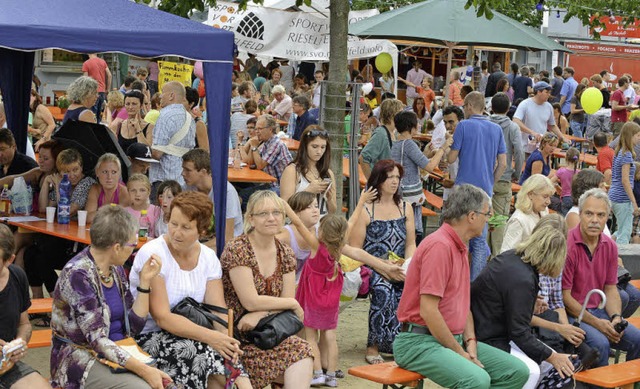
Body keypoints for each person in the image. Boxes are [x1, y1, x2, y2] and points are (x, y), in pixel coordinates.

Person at [394, 184, 529, 389]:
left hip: (449, 339)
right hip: (418, 342)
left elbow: (462, 303)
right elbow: (428, 311)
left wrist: (471, 341)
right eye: (487, 213)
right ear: (472, 216)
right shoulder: (440, 246)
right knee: (476, 380)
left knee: (516, 372)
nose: (488, 219)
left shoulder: (459, 245)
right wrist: (460, 352)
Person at [129, 191, 251, 389]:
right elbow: (162, 317)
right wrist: (213, 338)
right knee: (203, 355)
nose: (177, 232)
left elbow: (217, 309)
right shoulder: (154, 253)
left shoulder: (208, 257)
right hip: (149, 336)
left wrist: (226, 340)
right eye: (173, 224)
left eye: (186, 227)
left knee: (230, 359)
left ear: (201, 231)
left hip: (193, 334)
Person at [50, 205, 170, 389]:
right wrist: (144, 370)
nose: (135, 249)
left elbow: (133, 327)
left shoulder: (115, 270)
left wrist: (145, 283)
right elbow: (98, 341)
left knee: (167, 381)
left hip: (116, 351)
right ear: (116, 247)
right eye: (133, 244)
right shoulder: (78, 275)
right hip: (79, 358)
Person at [221, 190, 314, 388]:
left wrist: (262, 312)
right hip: (236, 337)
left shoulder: (285, 253)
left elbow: (284, 300)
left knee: (302, 350)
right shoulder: (238, 248)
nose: (271, 218)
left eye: (276, 213)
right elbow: (250, 301)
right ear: (251, 219)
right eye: (263, 214)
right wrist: (292, 303)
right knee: (298, 353)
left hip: (268, 333)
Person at [472, 220, 576, 388]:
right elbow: (519, 333)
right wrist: (552, 357)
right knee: (532, 370)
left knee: (550, 361)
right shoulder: (523, 278)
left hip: (491, 327)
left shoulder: (515, 257)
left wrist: (528, 303)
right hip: (486, 336)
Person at [349, 159, 416, 364]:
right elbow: (355, 248)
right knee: (383, 289)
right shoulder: (367, 210)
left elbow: (411, 243)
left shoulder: (405, 207)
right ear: (379, 180)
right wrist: (382, 266)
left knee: (410, 289)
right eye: (389, 177)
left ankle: (398, 342)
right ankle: (374, 344)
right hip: (373, 265)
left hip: (398, 264)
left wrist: (408, 263)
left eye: (397, 177)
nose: (394, 181)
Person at [563, 188, 640, 367]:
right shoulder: (568, 245)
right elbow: (565, 298)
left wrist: (615, 317)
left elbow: (611, 288)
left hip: (598, 310)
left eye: (601, 215)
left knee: (638, 340)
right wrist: (599, 324)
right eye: (589, 214)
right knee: (601, 344)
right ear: (580, 214)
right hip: (573, 314)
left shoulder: (610, 246)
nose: (595, 220)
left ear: (608, 217)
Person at [284, 205, 346, 387]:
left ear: (323, 233)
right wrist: (360, 203)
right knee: (330, 338)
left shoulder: (316, 246)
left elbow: (297, 223)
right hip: (331, 300)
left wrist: (285, 204)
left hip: (313, 299)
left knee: (311, 338)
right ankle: (332, 376)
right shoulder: (338, 248)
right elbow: (352, 220)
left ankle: (318, 373)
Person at [448, 91, 506, 280]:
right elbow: (503, 163)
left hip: (463, 190)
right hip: (485, 191)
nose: (464, 110)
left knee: (460, 236)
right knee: (480, 240)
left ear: (470, 106)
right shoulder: (496, 129)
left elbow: (451, 158)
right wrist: (491, 180)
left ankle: (459, 279)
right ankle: (475, 284)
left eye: (464, 107)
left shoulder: (463, 125)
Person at [0, 224, 51, 389]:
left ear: (9, 260)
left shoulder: (17, 277)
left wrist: (20, 343)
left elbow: (24, 324)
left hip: (5, 365)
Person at [391, 111, 451, 241]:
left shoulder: (396, 143)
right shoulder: (409, 144)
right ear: (411, 126)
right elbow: (429, 167)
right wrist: (443, 148)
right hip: (409, 194)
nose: (418, 126)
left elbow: (412, 162)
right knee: (412, 234)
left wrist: (426, 154)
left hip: (399, 192)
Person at [181, 148, 243, 245]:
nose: (182, 174)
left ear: (203, 172)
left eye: (188, 170)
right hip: (201, 239)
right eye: (183, 169)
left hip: (228, 245)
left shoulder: (226, 192)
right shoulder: (188, 188)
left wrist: (197, 249)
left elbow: (227, 237)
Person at [488, 93, 524, 255]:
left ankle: (485, 255)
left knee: (485, 217)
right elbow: (519, 152)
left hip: (484, 177)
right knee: (500, 219)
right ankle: (496, 256)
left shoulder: (486, 123)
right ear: (508, 109)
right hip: (503, 177)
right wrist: (516, 173)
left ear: (491, 107)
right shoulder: (512, 127)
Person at [280, 126, 336, 217]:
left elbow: (333, 211)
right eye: (314, 146)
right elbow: (284, 209)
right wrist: (308, 191)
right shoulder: (292, 171)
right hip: (299, 227)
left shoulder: (328, 173)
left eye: (323, 147)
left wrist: (329, 198)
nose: (319, 151)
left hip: (322, 227)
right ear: (305, 146)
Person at [150, 81, 196, 191]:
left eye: (163, 92)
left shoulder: (165, 115)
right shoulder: (190, 118)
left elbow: (157, 153)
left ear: (171, 96)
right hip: (184, 178)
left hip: (165, 180)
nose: (160, 96)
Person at [239, 114, 293, 200]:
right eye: (256, 129)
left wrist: (254, 147)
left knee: (246, 196)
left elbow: (260, 165)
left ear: (270, 129)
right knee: (242, 193)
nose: (257, 132)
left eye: (260, 129)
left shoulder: (276, 144)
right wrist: (251, 143)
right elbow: (250, 162)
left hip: (281, 188)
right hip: (269, 184)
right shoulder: (266, 143)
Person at [500, 174, 554, 251]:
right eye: (545, 197)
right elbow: (506, 253)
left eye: (550, 197)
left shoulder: (544, 211)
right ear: (530, 194)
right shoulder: (518, 220)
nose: (548, 202)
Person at [609, 122, 640, 244]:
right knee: (625, 233)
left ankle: (607, 246)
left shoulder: (619, 152)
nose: (639, 138)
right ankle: (620, 257)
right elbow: (625, 180)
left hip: (615, 195)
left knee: (620, 228)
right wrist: (634, 202)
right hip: (623, 198)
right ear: (630, 136)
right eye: (637, 135)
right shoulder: (626, 155)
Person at [513, 81, 566, 154]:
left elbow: (552, 125)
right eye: (546, 92)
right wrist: (532, 132)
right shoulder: (525, 104)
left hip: (542, 149)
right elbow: (516, 121)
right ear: (538, 92)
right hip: (525, 148)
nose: (549, 95)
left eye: (549, 92)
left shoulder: (549, 106)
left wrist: (562, 138)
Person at [359, 99, 404, 178]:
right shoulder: (381, 133)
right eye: (401, 114)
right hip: (381, 184)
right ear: (392, 115)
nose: (403, 118)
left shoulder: (393, 133)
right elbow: (363, 158)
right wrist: (372, 183)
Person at [125, 174, 161, 239]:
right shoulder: (124, 212)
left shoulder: (156, 211)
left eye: (142, 190)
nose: (137, 194)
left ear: (149, 192)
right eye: (133, 190)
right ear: (128, 192)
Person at [82, 53, 112, 124]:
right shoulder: (103, 61)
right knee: (99, 115)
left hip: (92, 92)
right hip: (102, 91)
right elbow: (109, 75)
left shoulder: (86, 63)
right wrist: (108, 89)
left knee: (92, 114)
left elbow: (85, 80)